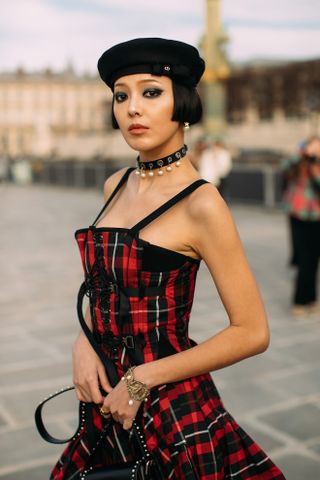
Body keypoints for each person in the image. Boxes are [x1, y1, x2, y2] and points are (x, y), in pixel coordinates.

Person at [51, 38, 285, 479]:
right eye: (122, 95)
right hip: (105, 397)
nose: (132, 108)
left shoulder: (202, 203)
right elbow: (106, 290)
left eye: (151, 91)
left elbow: (252, 332)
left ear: (182, 102)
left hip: (167, 405)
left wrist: (141, 380)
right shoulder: (115, 184)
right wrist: (85, 340)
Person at [281, 136, 320, 316]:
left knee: (314, 261)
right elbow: (285, 166)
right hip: (298, 214)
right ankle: (299, 301)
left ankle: (311, 299)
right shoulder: (299, 163)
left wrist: (314, 166)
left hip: (316, 216)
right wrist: (304, 153)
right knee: (303, 259)